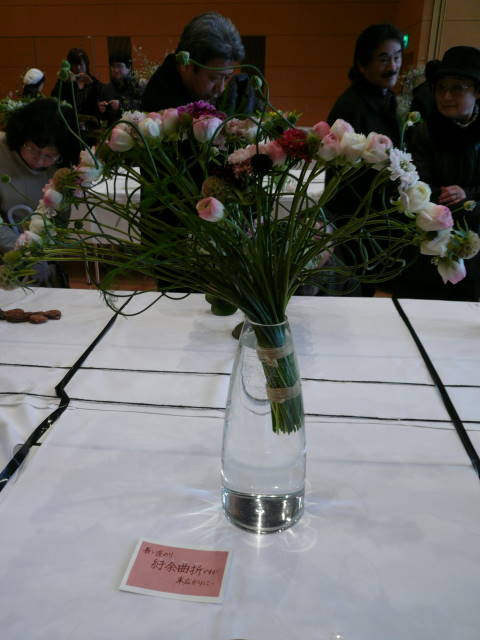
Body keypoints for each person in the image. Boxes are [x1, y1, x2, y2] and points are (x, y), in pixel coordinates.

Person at [393, 46, 480, 301]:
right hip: (427, 243)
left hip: (473, 246)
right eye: (441, 88)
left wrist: (467, 195)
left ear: (477, 91)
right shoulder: (424, 131)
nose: (446, 96)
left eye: (457, 88)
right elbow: (416, 183)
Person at [326, 24, 405, 295]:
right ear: (362, 64)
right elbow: (343, 174)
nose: (392, 66)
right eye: (383, 58)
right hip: (358, 218)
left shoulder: (389, 100)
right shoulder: (351, 106)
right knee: (357, 288)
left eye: (397, 57)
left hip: (381, 215)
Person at [0, 98, 81, 285]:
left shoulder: (63, 170)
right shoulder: (2, 152)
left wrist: (41, 255)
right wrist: (25, 253)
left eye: (50, 155)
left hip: (42, 260)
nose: (39, 161)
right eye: (33, 150)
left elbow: (59, 224)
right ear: (21, 138)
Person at [141, 11, 254, 114]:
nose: (221, 89)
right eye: (214, 78)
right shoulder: (164, 109)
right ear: (185, 66)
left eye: (227, 77)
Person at [51, 48, 102, 121]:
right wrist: (66, 82)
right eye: (75, 65)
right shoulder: (65, 81)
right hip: (71, 121)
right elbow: (54, 98)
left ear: (86, 64)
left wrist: (92, 84)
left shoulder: (93, 81)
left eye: (81, 64)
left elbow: (102, 95)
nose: (78, 68)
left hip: (90, 121)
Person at [98, 53, 143, 126]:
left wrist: (121, 105)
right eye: (113, 66)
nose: (116, 70)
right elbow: (104, 118)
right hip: (113, 129)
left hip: (134, 128)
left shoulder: (137, 86)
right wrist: (101, 110)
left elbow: (143, 106)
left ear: (129, 68)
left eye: (119, 66)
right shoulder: (106, 88)